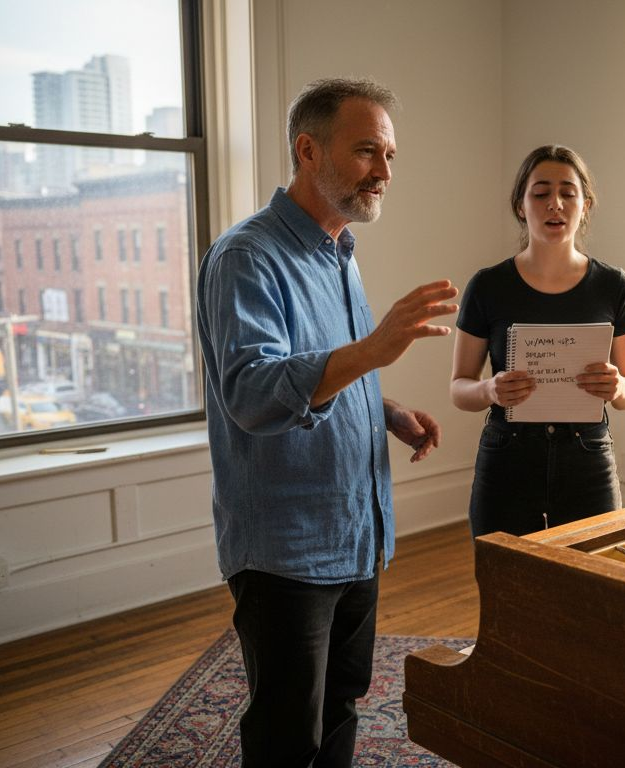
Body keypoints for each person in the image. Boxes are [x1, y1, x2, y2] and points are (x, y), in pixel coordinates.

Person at [196, 78, 458, 768]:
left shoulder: (338, 252)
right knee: (288, 732)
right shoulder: (247, 257)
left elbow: (326, 369)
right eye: (367, 150)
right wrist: (374, 349)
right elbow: (252, 393)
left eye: (391, 155)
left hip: (357, 531)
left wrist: (388, 408)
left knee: (343, 702)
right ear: (307, 151)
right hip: (287, 549)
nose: (385, 172)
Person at [450, 145, 625, 537]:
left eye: (567, 193)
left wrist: (618, 385)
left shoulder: (614, 286)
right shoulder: (488, 286)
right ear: (521, 206)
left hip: (587, 458)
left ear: (585, 205)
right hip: (507, 458)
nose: (554, 204)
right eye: (540, 193)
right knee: (506, 585)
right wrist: (489, 388)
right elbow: (459, 388)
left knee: (588, 586)